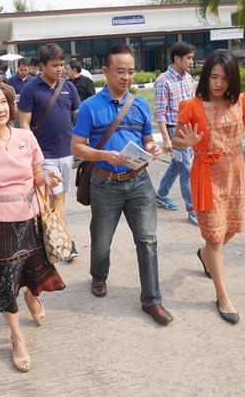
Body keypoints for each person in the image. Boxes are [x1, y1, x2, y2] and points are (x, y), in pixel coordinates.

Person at [0, 77, 66, 372]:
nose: (0, 109)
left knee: (34, 271)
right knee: (6, 284)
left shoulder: (25, 137)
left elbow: (36, 175)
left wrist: (47, 177)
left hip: (32, 218)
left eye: (4, 102)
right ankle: (17, 337)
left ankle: (32, 297)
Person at [71, 43, 172, 325]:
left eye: (131, 71)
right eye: (120, 71)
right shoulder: (90, 107)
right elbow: (77, 147)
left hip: (139, 182)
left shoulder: (140, 104)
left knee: (147, 240)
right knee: (102, 240)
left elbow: (147, 140)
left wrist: (151, 148)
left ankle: (152, 300)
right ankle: (99, 275)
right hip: (105, 184)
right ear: (105, 71)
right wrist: (104, 155)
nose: (127, 77)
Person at [172, 49, 245, 324]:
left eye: (225, 78)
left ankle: (205, 254)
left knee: (231, 229)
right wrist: (187, 142)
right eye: (214, 77)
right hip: (206, 173)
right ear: (206, 76)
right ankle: (222, 296)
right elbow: (176, 139)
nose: (219, 83)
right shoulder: (191, 105)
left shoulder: (240, 101)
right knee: (215, 237)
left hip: (235, 172)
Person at [19, 43, 81, 260]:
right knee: (54, 199)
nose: (59, 69)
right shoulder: (30, 90)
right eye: (54, 65)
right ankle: (64, 242)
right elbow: (24, 124)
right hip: (44, 156)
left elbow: (78, 116)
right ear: (42, 65)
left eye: (61, 65)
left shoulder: (69, 87)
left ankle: (52, 239)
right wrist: (32, 154)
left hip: (67, 153)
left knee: (58, 199)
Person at [154, 41, 198, 225]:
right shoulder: (163, 81)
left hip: (190, 130)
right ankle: (193, 210)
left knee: (177, 165)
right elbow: (159, 112)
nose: (191, 62)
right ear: (177, 58)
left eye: (192, 58)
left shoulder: (188, 78)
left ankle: (161, 195)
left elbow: (194, 105)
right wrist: (166, 139)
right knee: (186, 171)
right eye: (189, 58)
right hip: (174, 130)